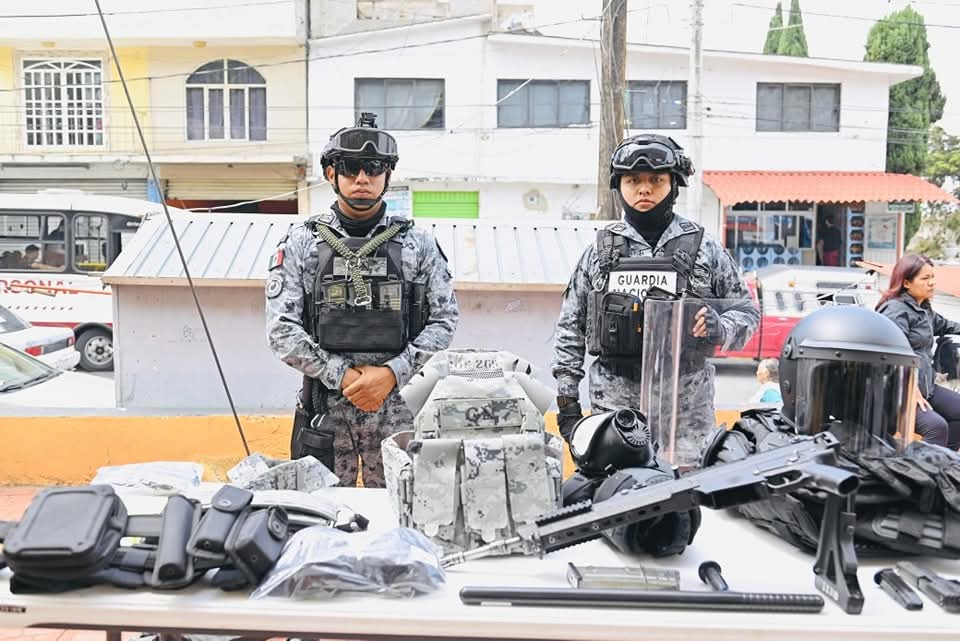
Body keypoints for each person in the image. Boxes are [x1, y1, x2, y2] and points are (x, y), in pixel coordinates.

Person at [265, 112, 459, 487]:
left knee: (404, 509)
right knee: (322, 511)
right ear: (331, 174)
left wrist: (391, 373)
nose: (362, 178)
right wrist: (343, 376)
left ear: (388, 175)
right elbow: (281, 330)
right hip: (325, 405)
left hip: (398, 408)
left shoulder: (418, 242)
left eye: (373, 168)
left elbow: (444, 321)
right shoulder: (302, 241)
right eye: (350, 168)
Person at [552, 134, 760, 463]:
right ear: (619, 186)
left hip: (687, 412)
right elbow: (570, 329)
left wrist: (720, 327)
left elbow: (747, 312)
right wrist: (567, 403)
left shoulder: (705, 248)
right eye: (633, 180)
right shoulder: (599, 252)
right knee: (617, 487)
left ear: (674, 185)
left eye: (656, 180)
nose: (644, 189)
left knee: (688, 488)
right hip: (616, 410)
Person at [876, 253, 960, 449]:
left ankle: (943, 462)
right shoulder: (896, 311)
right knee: (936, 428)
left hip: (925, 387)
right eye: (925, 278)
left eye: (933, 277)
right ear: (906, 283)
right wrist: (910, 390)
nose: (932, 283)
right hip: (898, 391)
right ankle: (918, 467)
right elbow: (894, 355)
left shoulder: (923, 309)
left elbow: (946, 325)